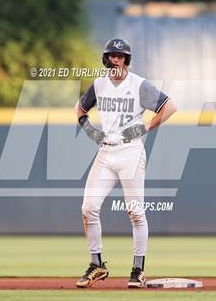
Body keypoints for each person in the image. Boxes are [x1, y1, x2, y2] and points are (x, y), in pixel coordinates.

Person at [75, 38, 177, 288]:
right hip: (105, 153)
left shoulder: (138, 84)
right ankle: (97, 264)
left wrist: (144, 127)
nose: (116, 60)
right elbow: (80, 109)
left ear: (127, 60)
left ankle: (138, 270)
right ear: (106, 59)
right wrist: (90, 131)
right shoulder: (99, 85)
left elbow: (170, 107)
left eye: (120, 56)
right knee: (88, 208)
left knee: (135, 210)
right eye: (112, 56)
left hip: (131, 152)